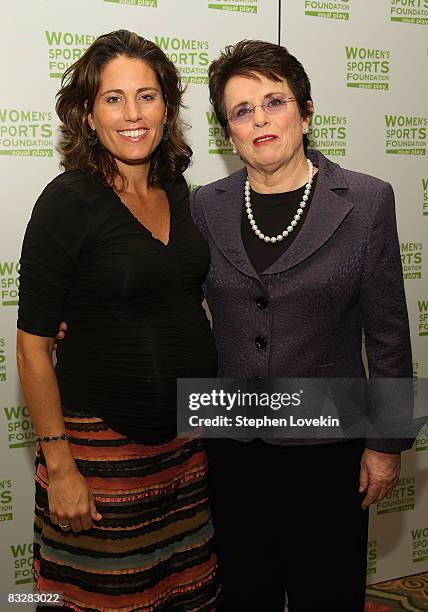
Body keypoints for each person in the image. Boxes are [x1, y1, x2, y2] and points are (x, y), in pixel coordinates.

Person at [189, 40, 414, 612]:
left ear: (306, 112)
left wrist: (385, 445)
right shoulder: (204, 206)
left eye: (274, 101)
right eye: (241, 110)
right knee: (244, 591)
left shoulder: (365, 201)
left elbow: (387, 333)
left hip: (328, 445)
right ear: (227, 132)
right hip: (232, 443)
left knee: (327, 592)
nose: (259, 119)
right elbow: (170, 301)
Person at [16, 30, 219, 611]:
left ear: (167, 107)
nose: (133, 114)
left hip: (185, 446)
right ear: (87, 112)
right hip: (100, 452)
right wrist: (61, 466)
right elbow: (33, 347)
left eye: (148, 96)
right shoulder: (67, 201)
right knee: (108, 599)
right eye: (113, 98)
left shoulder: (177, 190)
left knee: (187, 593)